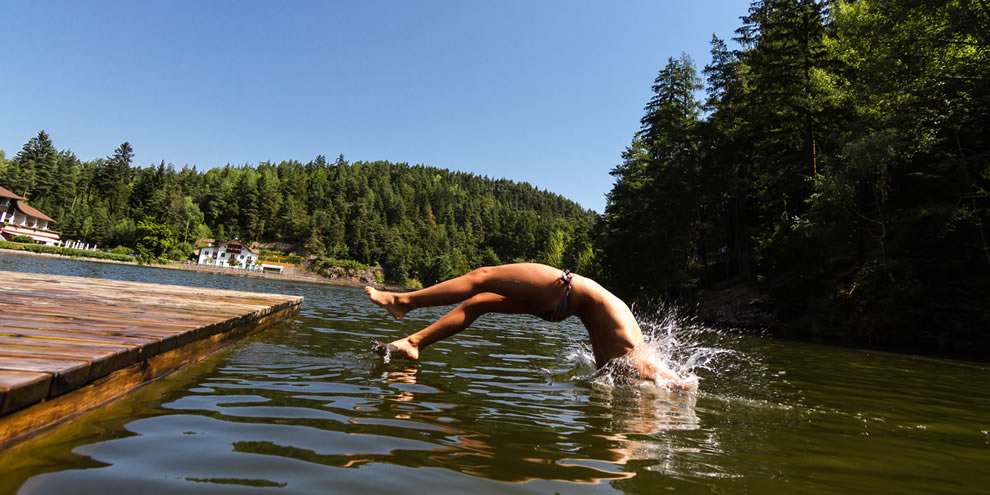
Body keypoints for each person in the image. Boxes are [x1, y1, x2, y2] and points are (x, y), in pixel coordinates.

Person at [365, 263, 693, 390]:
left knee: (481, 277)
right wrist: (677, 383)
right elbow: (650, 373)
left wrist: (676, 383)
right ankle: (414, 343)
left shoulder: (627, 342)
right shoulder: (624, 343)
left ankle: (404, 302)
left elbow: (650, 371)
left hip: (568, 291)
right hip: (568, 304)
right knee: (478, 302)